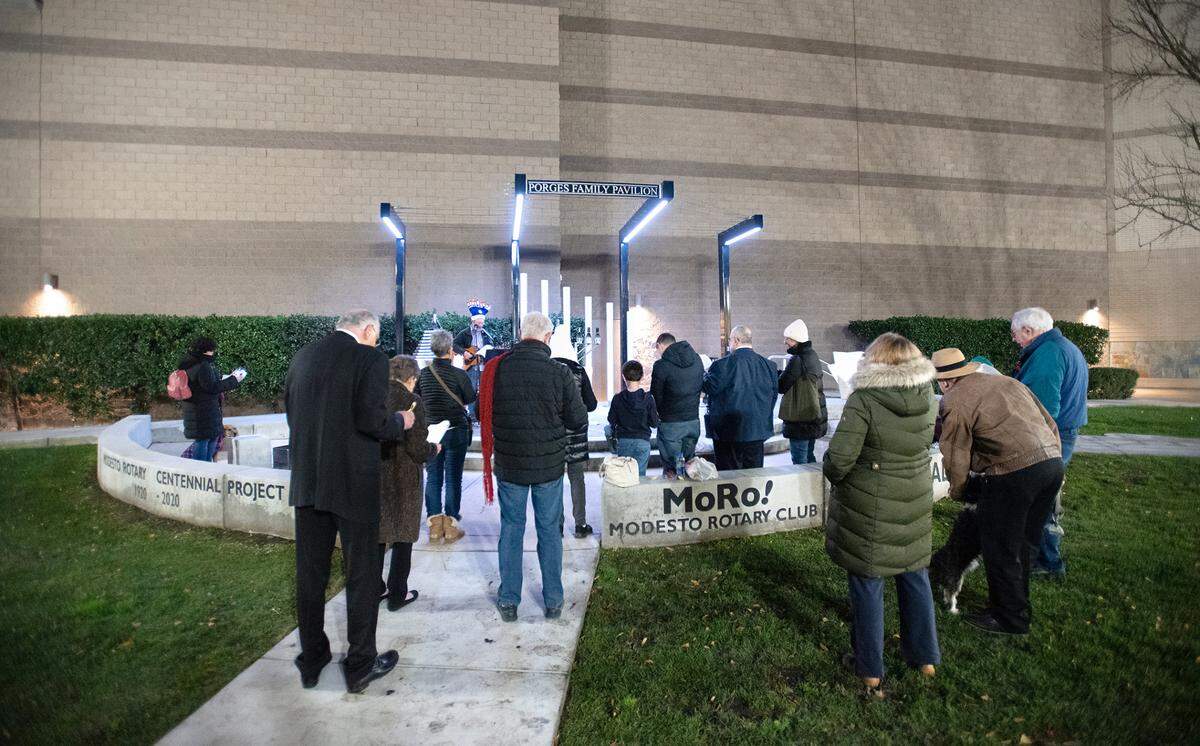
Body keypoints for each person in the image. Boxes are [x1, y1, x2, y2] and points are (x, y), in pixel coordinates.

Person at [284, 309, 415, 693]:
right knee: (361, 573)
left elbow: (294, 415)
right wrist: (400, 422)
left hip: (308, 480)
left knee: (310, 574)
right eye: (376, 335)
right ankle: (359, 664)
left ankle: (313, 659)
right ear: (369, 330)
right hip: (352, 484)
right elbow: (370, 421)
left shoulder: (303, 356)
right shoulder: (369, 358)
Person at [823, 333, 940, 697]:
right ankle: (925, 658)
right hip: (914, 498)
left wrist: (833, 472)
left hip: (870, 503)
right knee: (914, 578)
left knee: (868, 584)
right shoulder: (927, 397)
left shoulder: (865, 400)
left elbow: (840, 459)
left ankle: (870, 668)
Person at [934, 347, 1065, 635]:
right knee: (1024, 543)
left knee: (1001, 547)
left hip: (1013, 475)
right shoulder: (1007, 382)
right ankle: (1017, 607)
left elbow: (955, 452)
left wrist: (959, 490)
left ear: (943, 381)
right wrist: (1053, 455)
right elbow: (1049, 422)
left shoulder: (953, 399)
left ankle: (1008, 618)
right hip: (1051, 465)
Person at [481, 312, 588, 622]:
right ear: (547, 337)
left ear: (521, 334)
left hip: (510, 465)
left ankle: (509, 599)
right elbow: (579, 419)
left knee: (511, 530)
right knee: (549, 532)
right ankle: (553, 600)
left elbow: (482, 411)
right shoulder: (558, 372)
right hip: (548, 466)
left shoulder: (496, 370)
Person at [1010, 307, 1087, 579]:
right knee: (1047, 496)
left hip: (1050, 436)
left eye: (1015, 334)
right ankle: (1044, 559)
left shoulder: (1047, 354)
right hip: (1064, 432)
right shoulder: (1064, 347)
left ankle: (1047, 562)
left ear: (1029, 331)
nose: (1014, 340)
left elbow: (1041, 409)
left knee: (1042, 499)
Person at [378, 355, 439, 612]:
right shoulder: (413, 401)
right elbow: (417, 449)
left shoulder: (374, 397)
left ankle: (374, 589)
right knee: (403, 537)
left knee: (378, 536)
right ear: (412, 379)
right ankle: (397, 594)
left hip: (377, 475)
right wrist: (434, 449)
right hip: (403, 478)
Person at [417, 329, 476, 544]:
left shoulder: (423, 374)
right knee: (453, 477)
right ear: (451, 350)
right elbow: (470, 398)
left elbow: (417, 398)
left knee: (433, 477)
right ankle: (450, 525)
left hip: (432, 433)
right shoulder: (459, 374)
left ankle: (434, 525)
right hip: (456, 431)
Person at [702, 325, 777, 471]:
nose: (729, 343)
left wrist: (703, 373)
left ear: (736, 340)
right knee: (754, 476)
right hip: (757, 430)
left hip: (728, 433)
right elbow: (773, 396)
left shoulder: (722, 365)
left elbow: (709, 387)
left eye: (729, 340)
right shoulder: (769, 366)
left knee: (729, 479)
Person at [549, 325, 598, 538]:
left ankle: (557, 526)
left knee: (555, 481)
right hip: (576, 434)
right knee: (577, 479)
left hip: (553, 436)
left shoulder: (547, 369)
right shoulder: (579, 370)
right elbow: (593, 404)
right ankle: (580, 525)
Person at [177, 337, 245, 462]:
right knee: (205, 441)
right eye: (212, 350)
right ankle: (203, 470)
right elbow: (212, 387)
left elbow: (202, 383)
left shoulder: (188, 363)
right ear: (206, 351)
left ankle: (205, 468)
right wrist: (234, 379)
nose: (213, 353)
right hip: (204, 410)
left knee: (209, 438)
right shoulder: (203, 365)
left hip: (195, 409)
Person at [650, 332, 704, 478]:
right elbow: (701, 385)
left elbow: (655, 394)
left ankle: (674, 499)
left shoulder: (661, 365)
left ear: (660, 345)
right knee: (689, 466)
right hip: (693, 421)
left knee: (671, 469)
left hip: (670, 423)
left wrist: (661, 413)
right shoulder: (697, 360)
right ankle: (690, 498)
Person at [777, 318, 828, 464]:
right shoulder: (812, 355)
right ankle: (815, 486)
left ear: (795, 339)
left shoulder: (798, 360)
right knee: (809, 457)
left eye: (787, 338)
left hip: (800, 420)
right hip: (813, 415)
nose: (785, 342)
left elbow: (782, 385)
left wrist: (775, 374)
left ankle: (805, 487)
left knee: (799, 461)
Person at [607, 361, 659, 476]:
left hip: (624, 441)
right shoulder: (648, 399)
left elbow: (611, 420)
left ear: (623, 376)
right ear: (641, 376)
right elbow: (654, 423)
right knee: (640, 477)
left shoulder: (617, 398)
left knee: (625, 476)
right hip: (643, 442)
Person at [453, 298, 494, 420]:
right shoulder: (465, 333)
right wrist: (464, 352)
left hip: (483, 365)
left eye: (483, 323)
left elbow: (490, 346)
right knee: (470, 389)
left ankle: (481, 414)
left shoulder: (486, 334)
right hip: (470, 365)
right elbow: (454, 344)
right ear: (474, 321)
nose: (482, 325)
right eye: (480, 322)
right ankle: (472, 415)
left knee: (483, 389)